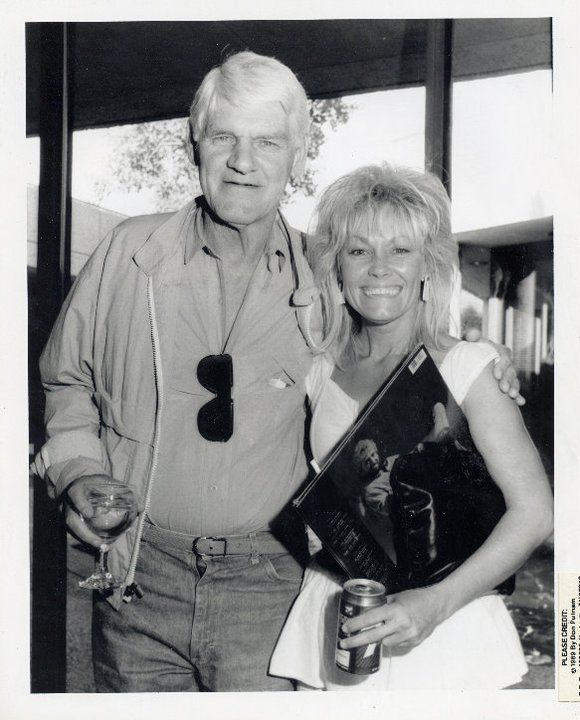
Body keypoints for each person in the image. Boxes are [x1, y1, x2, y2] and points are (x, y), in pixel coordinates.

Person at [31, 53, 522, 693]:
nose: (243, 161)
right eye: (224, 137)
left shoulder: (325, 281)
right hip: (137, 580)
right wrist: (80, 472)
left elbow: (401, 333)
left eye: (267, 142)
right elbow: (66, 384)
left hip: (270, 590)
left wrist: (482, 364)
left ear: (296, 157)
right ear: (193, 144)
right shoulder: (127, 256)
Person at [269, 163, 553, 690]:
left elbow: (536, 513)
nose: (379, 268)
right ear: (337, 268)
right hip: (334, 610)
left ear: (428, 266)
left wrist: (435, 603)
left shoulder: (468, 368)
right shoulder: (317, 369)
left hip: (448, 627)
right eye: (359, 251)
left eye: (400, 249)